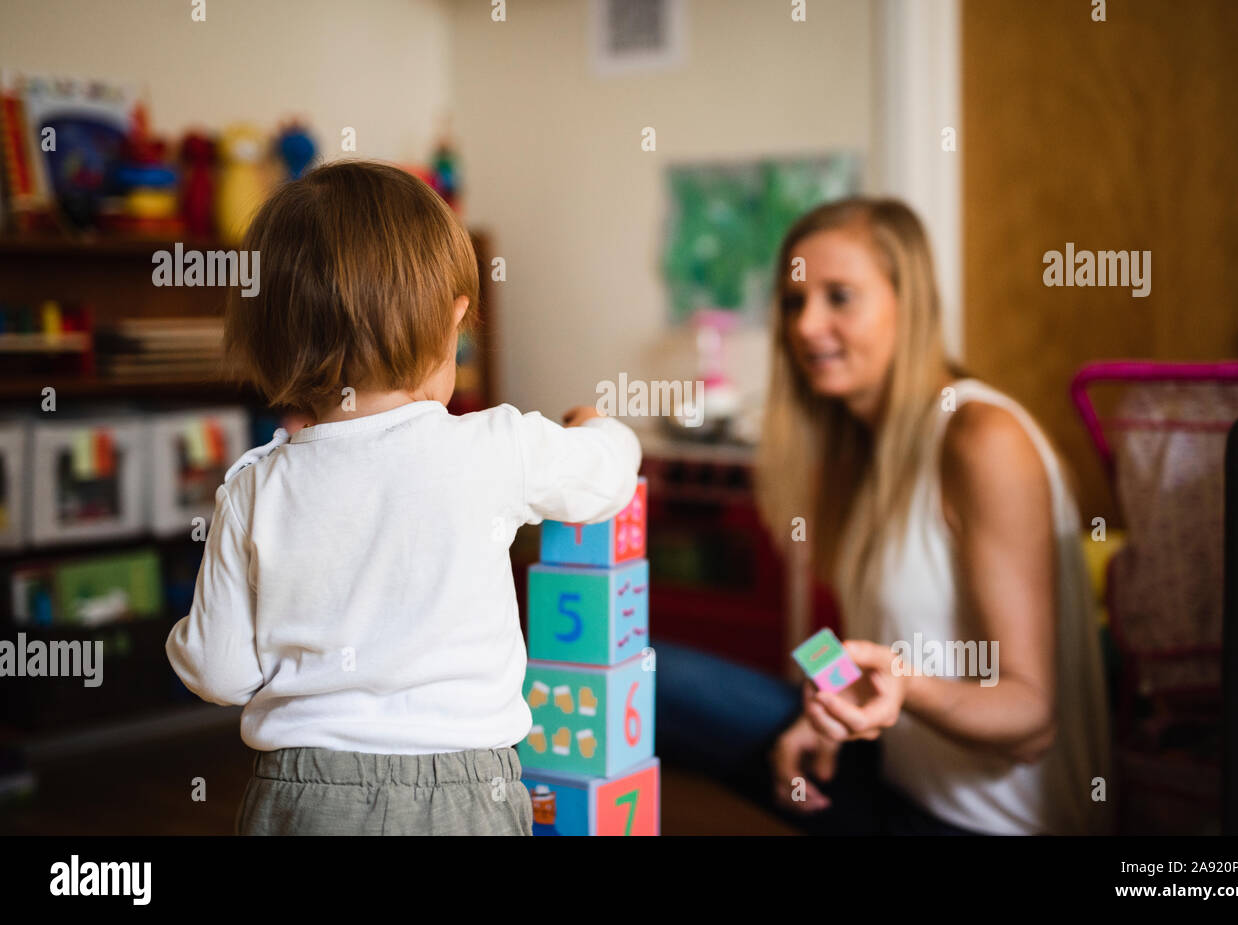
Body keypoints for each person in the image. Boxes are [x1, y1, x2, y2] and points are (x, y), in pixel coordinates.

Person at [165, 160, 642, 835]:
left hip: (303, 790)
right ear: (453, 322)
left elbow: (219, 670)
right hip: (464, 789)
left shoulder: (254, 483)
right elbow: (608, 476)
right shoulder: (494, 446)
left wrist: (181, 643)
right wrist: (599, 426)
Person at [656, 197, 1112, 835]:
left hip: (980, 824)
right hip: (893, 774)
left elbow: (1030, 719)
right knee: (648, 675)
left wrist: (904, 689)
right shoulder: (865, 451)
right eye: (793, 302)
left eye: (839, 296)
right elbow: (878, 652)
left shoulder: (982, 437)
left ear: (909, 302)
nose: (807, 325)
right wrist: (822, 719)